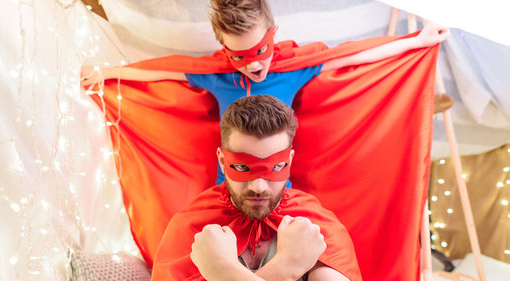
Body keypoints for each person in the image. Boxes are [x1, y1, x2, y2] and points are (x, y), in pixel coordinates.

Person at [58, 95, 473, 281]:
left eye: (274, 169)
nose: (258, 184)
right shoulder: (195, 222)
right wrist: (285, 269)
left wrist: (228, 274)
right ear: (222, 162)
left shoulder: (312, 220)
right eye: (243, 168)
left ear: (289, 163)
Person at [81, 0, 449, 184]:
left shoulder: (292, 69)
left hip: (280, 189)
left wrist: (418, 39)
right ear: (222, 47)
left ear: (273, 33)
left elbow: (354, 55)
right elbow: (160, 72)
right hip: (227, 190)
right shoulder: (217, 76)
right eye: (238, 56)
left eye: (260, 51)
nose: (253, 65)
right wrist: (106, 73)